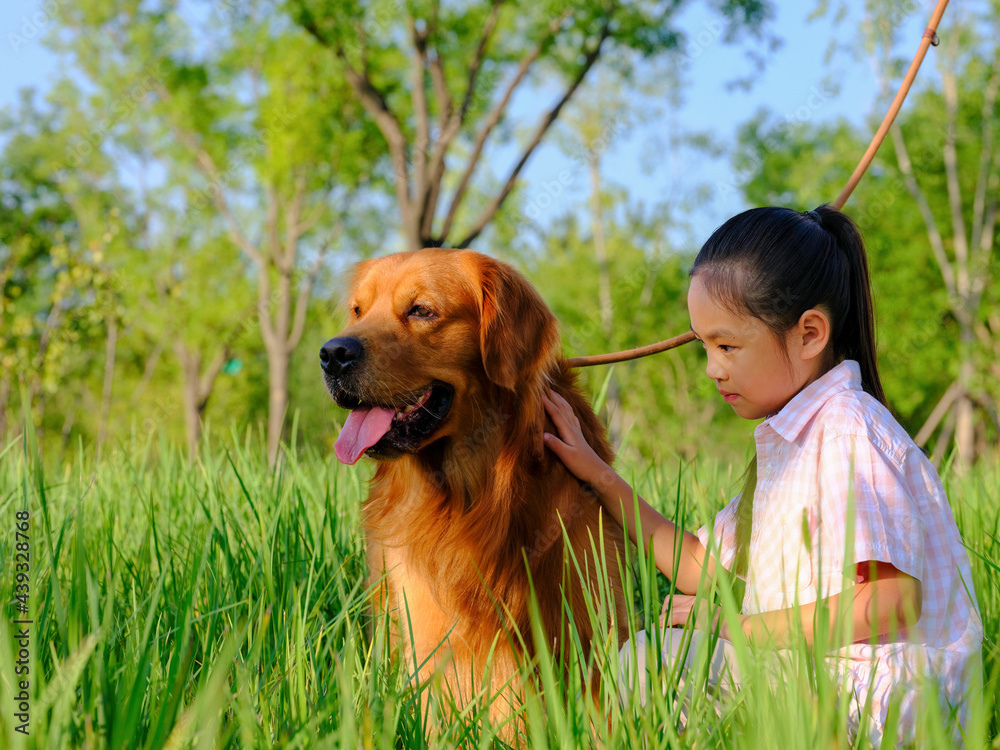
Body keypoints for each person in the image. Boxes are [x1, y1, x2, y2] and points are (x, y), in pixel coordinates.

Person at [540, 205, 983, 745]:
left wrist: (741, 628)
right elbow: (700, 571)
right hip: (818, 685)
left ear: (809, 334)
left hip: (879, 705)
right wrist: (597, 474)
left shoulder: (846, 431)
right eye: (703, 346)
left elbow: (892, 600)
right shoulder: (789, 443)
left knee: (656, 663)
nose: (712, 368)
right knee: (657, 657)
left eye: (726, 345)